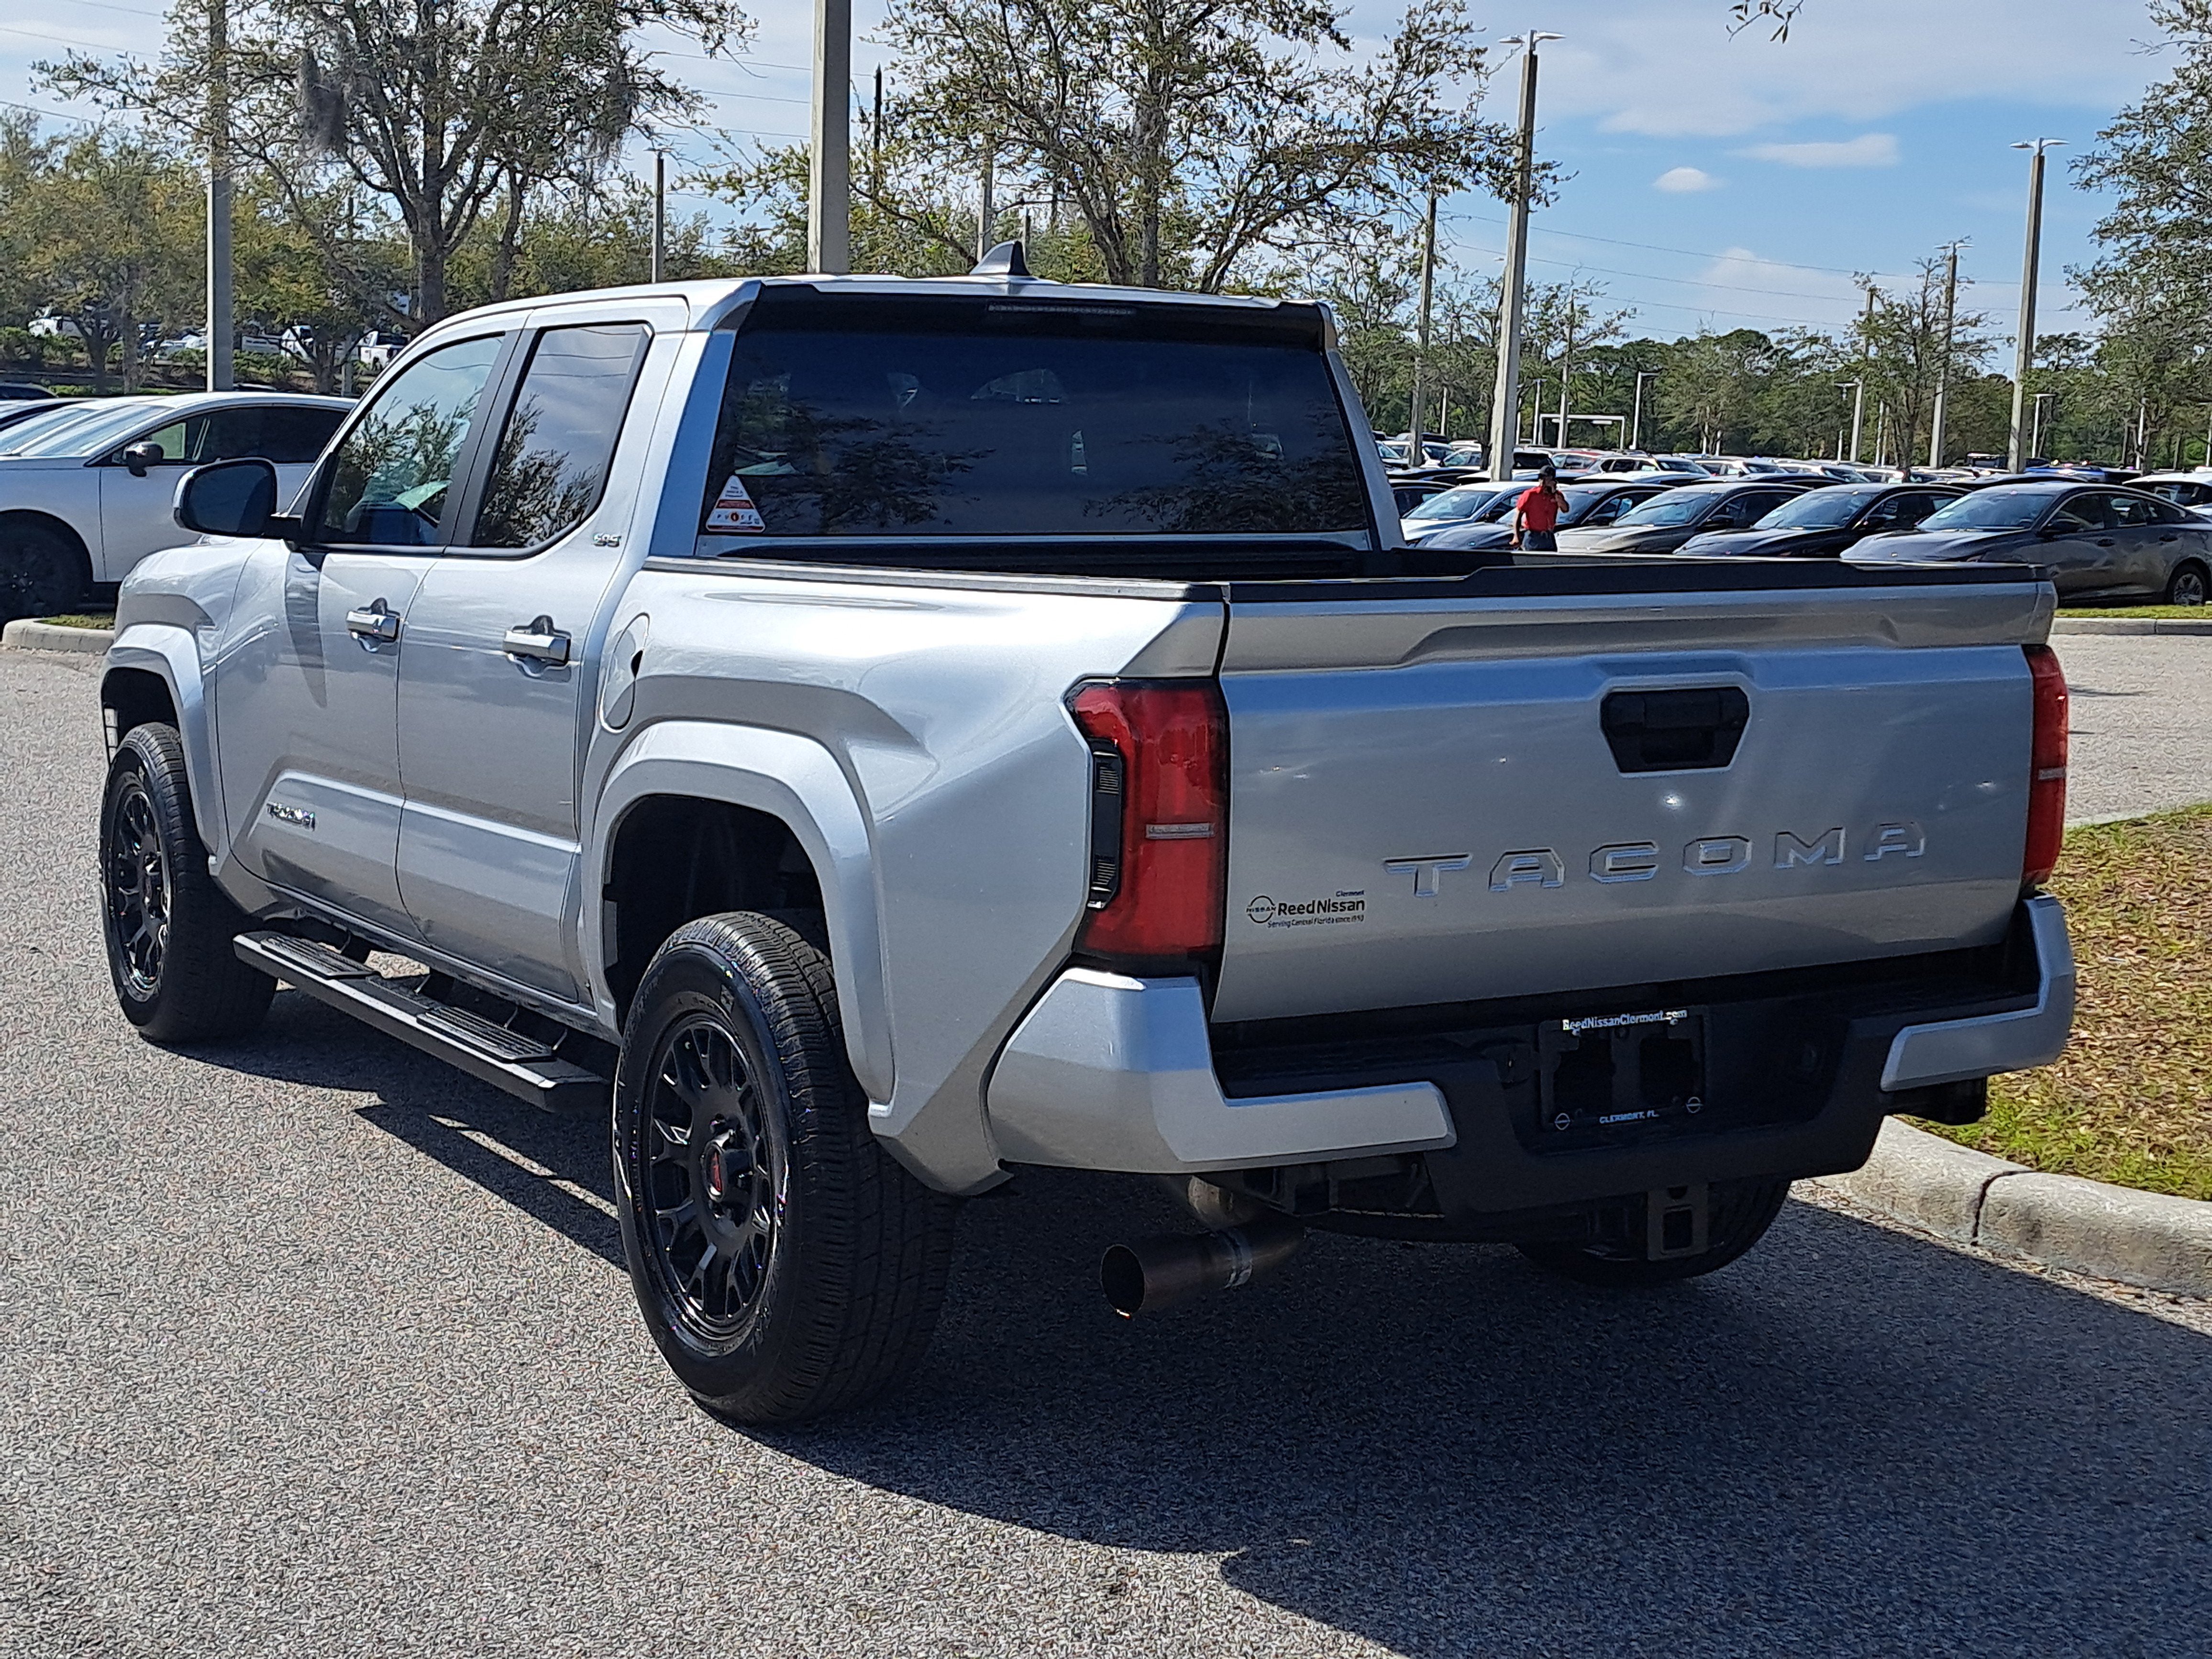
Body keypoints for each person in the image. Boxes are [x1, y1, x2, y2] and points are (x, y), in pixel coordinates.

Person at [1510, 465, 1566, 551]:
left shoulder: (1556, 496)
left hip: (1548, 535)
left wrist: (1554, 492)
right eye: (1542, 478)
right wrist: (1516, 537)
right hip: (1533, 535)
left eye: (1547, 478)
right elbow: (1518, 514)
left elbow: (1565, 509)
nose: (1544, 481)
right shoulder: (1531, 494)